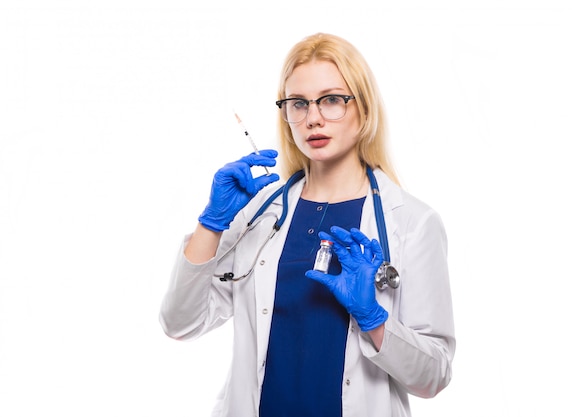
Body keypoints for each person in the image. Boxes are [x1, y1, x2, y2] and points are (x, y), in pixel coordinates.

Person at [160, 32, 455, 417]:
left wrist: (374, 319)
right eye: (298, 103)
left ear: (363, 108)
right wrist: (211, 224)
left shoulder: (413, 223)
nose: (313, 118)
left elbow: (433, 376)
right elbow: (181, 322)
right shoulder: (261, 216)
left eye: (332, 100)